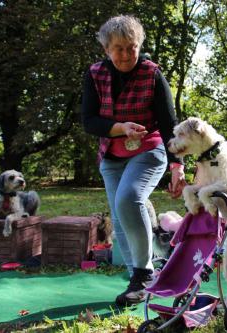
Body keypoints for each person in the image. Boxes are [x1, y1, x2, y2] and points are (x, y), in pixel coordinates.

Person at [81, 15, 186, 306]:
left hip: (149, 151)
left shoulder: (152, 73)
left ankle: (145, 274)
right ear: (106, 49)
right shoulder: (94, 75)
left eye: (132, 47)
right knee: (119, 215)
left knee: (128, 198)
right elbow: (89, 121)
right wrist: (119, 128)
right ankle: (137, 282)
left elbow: (168, 123)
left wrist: (177, 166)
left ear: (139, 46)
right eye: (119, 48)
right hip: (112, 156)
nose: (126, 54)